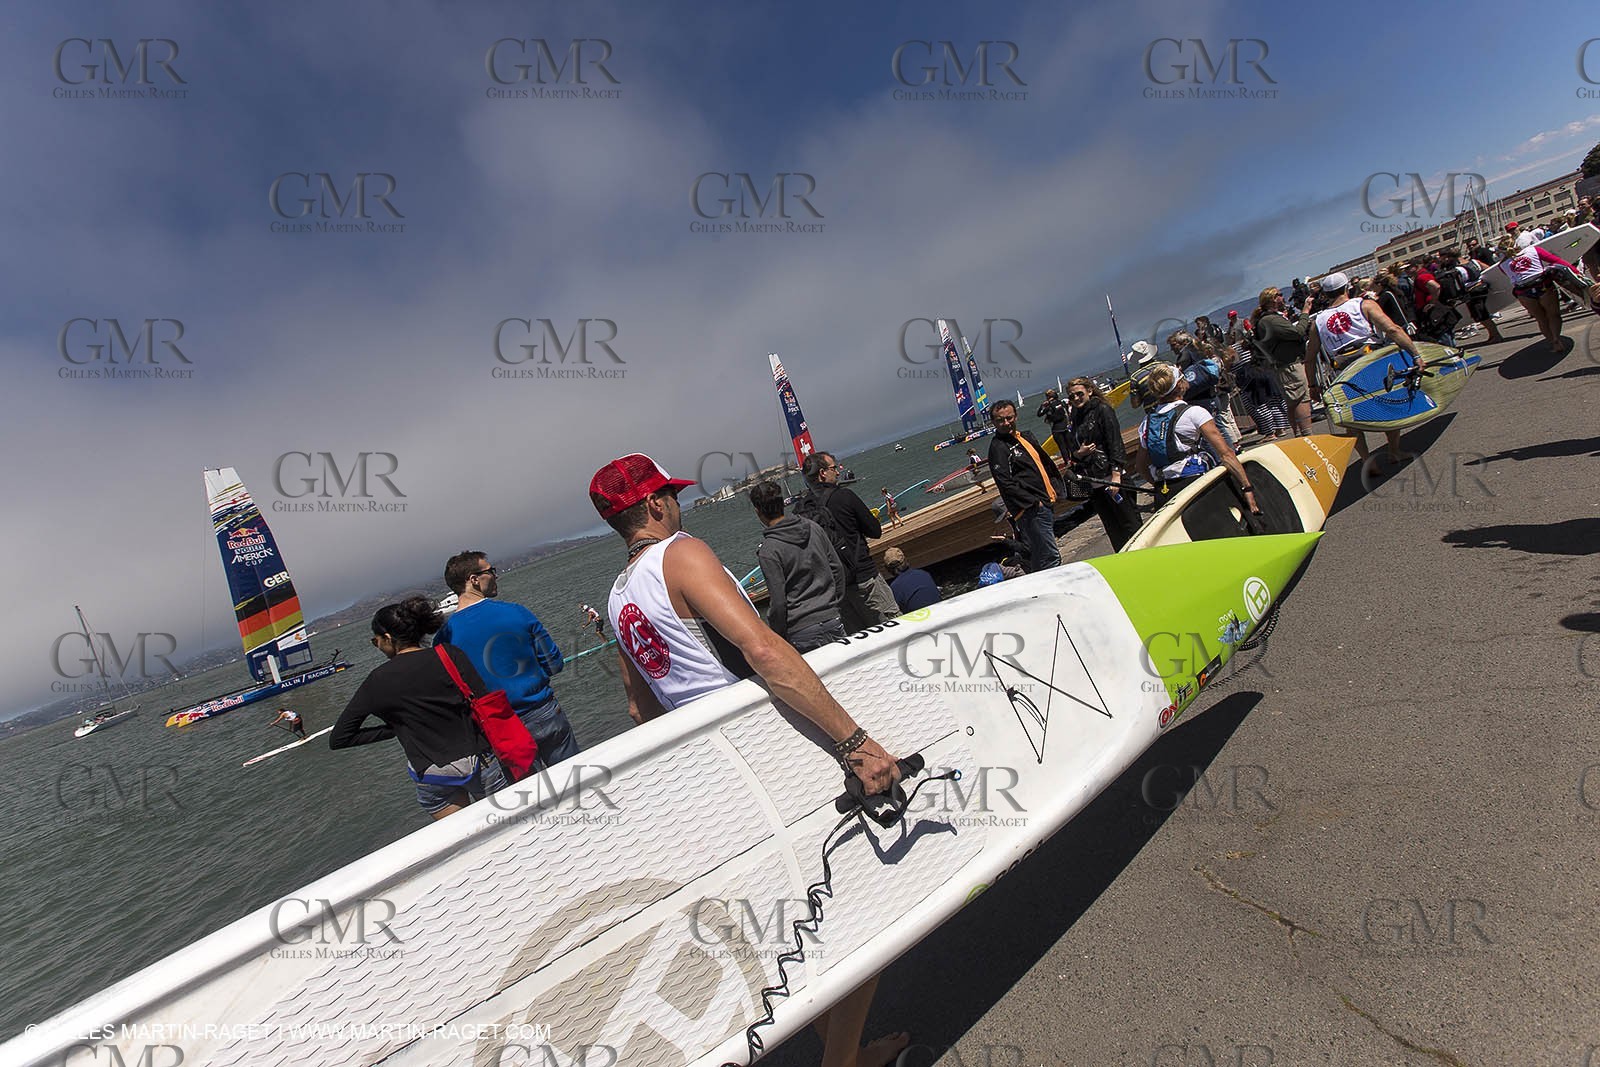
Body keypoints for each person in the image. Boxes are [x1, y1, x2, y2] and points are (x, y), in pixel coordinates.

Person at [587, 452, 909, 1067]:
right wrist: (853, 742)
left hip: (708, 778)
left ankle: (848, 1052)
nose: (677, 503)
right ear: (655, 504)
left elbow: (640, 711)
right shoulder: (680, 553)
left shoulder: (617, 594)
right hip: (767, 753)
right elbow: (761, 646)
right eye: (670, 495)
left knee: (800, 925)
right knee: (861, 914)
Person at [331, 597, 506, 820]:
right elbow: (484, 700)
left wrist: (395, 729)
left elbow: (340, 738)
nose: (377, 646)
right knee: (511, 826)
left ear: (388, 638)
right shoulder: (448, 655)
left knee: (465, 837)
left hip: (433, 772)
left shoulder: (376, 681)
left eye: (375, 641)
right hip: (479, 758)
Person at [434, 551, 580, 767]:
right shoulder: (516, 612)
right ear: (473, 580)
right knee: (576, 781)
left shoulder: (443, 640)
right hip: (543, 710)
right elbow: (554, 664)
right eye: (490, 571)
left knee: (532, 795)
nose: (495, 576)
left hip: (498, 727)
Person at [1304, 272, 1427, 472]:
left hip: (1343, 371)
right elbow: (1393, 329)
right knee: (1390, 403)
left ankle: (1368, 461)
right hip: (1371, 363)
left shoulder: (1318, 321)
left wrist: (1312, 385)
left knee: (1352, 419)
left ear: (1325, 294)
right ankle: (1394, 450)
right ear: (1346, 288)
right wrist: (1415, 354)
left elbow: (1310, 358)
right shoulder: (1364, 305)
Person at [1132, 363, 1261, 513]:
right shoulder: (1194, 413)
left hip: (1165, 491)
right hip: (1194, 485)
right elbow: (1226, 454)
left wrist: (1156, 485)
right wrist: (1247, 487)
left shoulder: (1147, 422)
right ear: (1180, 386)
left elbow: (1140, 466)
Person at [798, 451, 899, 630]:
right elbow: (875, 531)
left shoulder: (802, 509)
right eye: (833, 468)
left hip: (835, 588)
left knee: (860, 641)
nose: (837, 472)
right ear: (822, 473)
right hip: (864, 577)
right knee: (895, 629)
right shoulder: (844, 496)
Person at [750, 480, 848, 652]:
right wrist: (833, 603)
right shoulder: (813, 527)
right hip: (832, 616)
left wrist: (778, 633)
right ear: (782, 503)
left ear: (758, 511)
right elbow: (837, 569)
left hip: (800, 628)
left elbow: (778, 601)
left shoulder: (769, 550)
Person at [1062, 377, 1141, 550]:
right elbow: (1073, 450)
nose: (1076, 399)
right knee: (1114, 531)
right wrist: (1078, 454)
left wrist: (1116, 475)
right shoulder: (1075, 416)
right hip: (1093, 483)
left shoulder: (1102, 410)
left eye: (1079, 394)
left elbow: (1115, 442)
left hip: (1111, 478)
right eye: (1072, 397)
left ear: (1090, 391)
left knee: (1131, 526)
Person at [987, 399, 1065, 571]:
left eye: (1009, 418)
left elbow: (1043, 465)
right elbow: (1005, 482)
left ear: (1016, 416)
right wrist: (1033, 502)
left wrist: (1055, 489)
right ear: (993, 422)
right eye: (1000, 420)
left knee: (1039, 554)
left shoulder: (1025, 437)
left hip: (1044, 502)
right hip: (1031, 508)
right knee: (1051, 556)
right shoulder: (998, 447)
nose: (1006, 423)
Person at [1493, 242, 1595, 351]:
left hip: (1524, 292)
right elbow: (1557, 261)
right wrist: (1576, 272)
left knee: (1541, 319)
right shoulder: (1534, 250)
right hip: (1543, 286)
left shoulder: (1502, 265)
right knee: (1553, 315)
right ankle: (1556, 338)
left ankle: (1552, 342)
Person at [1252, 287, 1315, 436]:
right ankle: (1307, 435)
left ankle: (1300, 436)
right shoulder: (1271, 320)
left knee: (1293, 401)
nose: (1283, 297)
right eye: (1279, 295)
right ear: (1273, 299)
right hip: (1290, 366)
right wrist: (1305, 312)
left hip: (1284, 366)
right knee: (1300, 399)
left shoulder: (1268, 319)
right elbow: (1297, 332)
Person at [881, 547, 941, 613]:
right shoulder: (923, 573)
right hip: (940, 611)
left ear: (888, 569)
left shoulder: (894, 587)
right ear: (905, 560)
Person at [1035, 387, 1074, 459]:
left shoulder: (1049, 407)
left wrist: (1042, 406)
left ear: (1048, 397)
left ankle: (1067, 461)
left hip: (1057, 429)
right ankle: (1075, 459)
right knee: (1070, 445)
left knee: (1062, 447)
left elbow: (1039, 414)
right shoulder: (1062, 403)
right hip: (1066, 426)